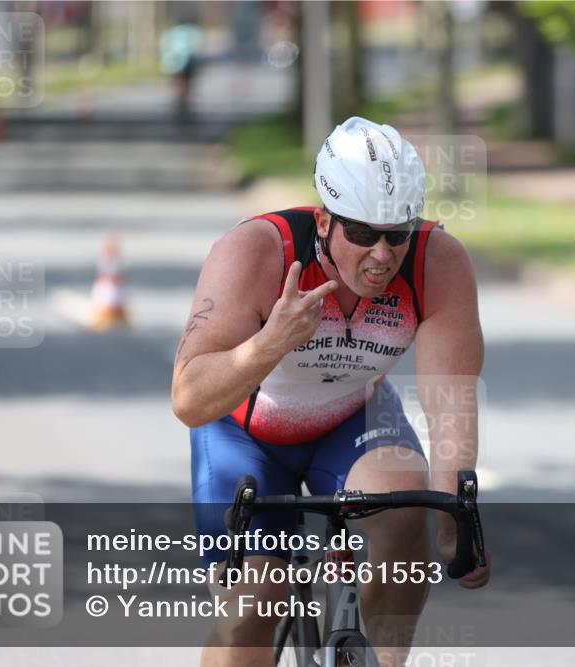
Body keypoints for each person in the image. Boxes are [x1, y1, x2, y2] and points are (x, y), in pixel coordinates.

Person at [172, 116, 489, 667]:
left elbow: (450, 404)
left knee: (404, 506)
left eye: (398, 233)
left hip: (351, 416)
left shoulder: (438, 262)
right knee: (254, 604)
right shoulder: (254, 252)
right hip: (245, 429)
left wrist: (454, 524)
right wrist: (271, 343)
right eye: (363, 234)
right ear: (323, 219)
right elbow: (191, 398)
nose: (383, 255)